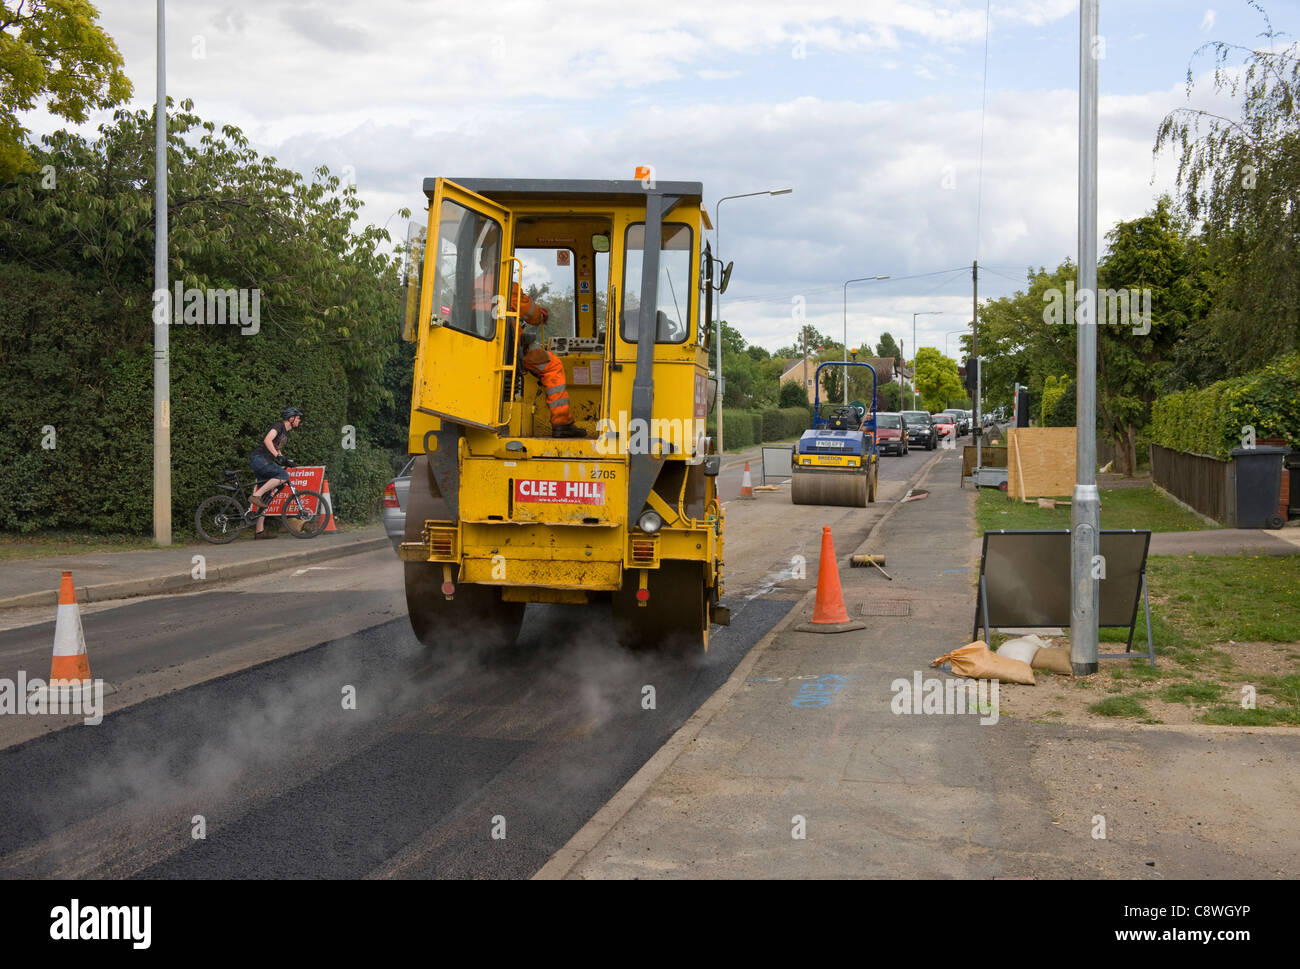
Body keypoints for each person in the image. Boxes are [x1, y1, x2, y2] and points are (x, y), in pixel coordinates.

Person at [247, 407, 303, 538]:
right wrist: (277, 457)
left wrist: (285, 460)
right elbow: (267, 440)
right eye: (298, 418)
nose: (299, 420)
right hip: (260, 459)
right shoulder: (278, 426)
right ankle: (256, 495)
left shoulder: (286, 433)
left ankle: (259, 532)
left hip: (264, 461)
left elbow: (276, 448)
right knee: (283, 476)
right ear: (291, 418)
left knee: (266, 498)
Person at [520, 329, 584, 438]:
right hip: (518, 346)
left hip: (513, 346)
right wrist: (539, 313)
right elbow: (530, 313)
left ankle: (562, 422)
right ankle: (561, 423)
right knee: (554, 365)